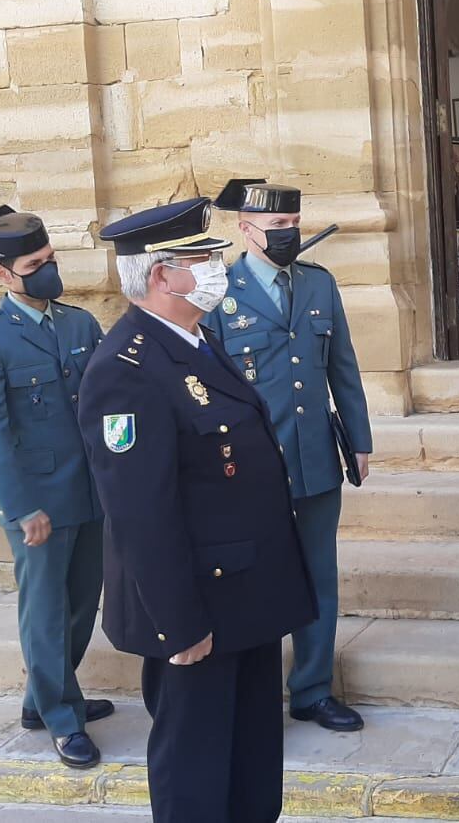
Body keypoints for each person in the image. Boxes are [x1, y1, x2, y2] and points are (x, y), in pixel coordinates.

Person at [78, 197, 317, 822]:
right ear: (162, 275)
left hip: (247, 596)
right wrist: (179, 625)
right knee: (197, 772)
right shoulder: (126, 369)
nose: (220, 267)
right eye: (205, 258)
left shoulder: (195, 340)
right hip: (198, 609)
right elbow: (140, 514)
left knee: (253, 763)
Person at [206, 179, 373, 733]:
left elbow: (342, 369)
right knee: (256, 579)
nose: (288, 235)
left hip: (316, 455)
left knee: (319, 575)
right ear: (245, 230)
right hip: (253, 464)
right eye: (277, 228)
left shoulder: (319, 286)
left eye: (293, 225)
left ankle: (312, 689)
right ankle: (254, 693)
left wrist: (360, 438)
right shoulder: (219, 293)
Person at [0, 205, 111, 770]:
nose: (47, 270)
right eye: (33, 264)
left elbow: (102, 407)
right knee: (45, 612)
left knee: (79, 607)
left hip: (89, 493)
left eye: (50, 260)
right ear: (3, 275)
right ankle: (62, 719)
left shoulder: (79, 325)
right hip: (38, 503)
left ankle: (41, 700)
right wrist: (22, 508)